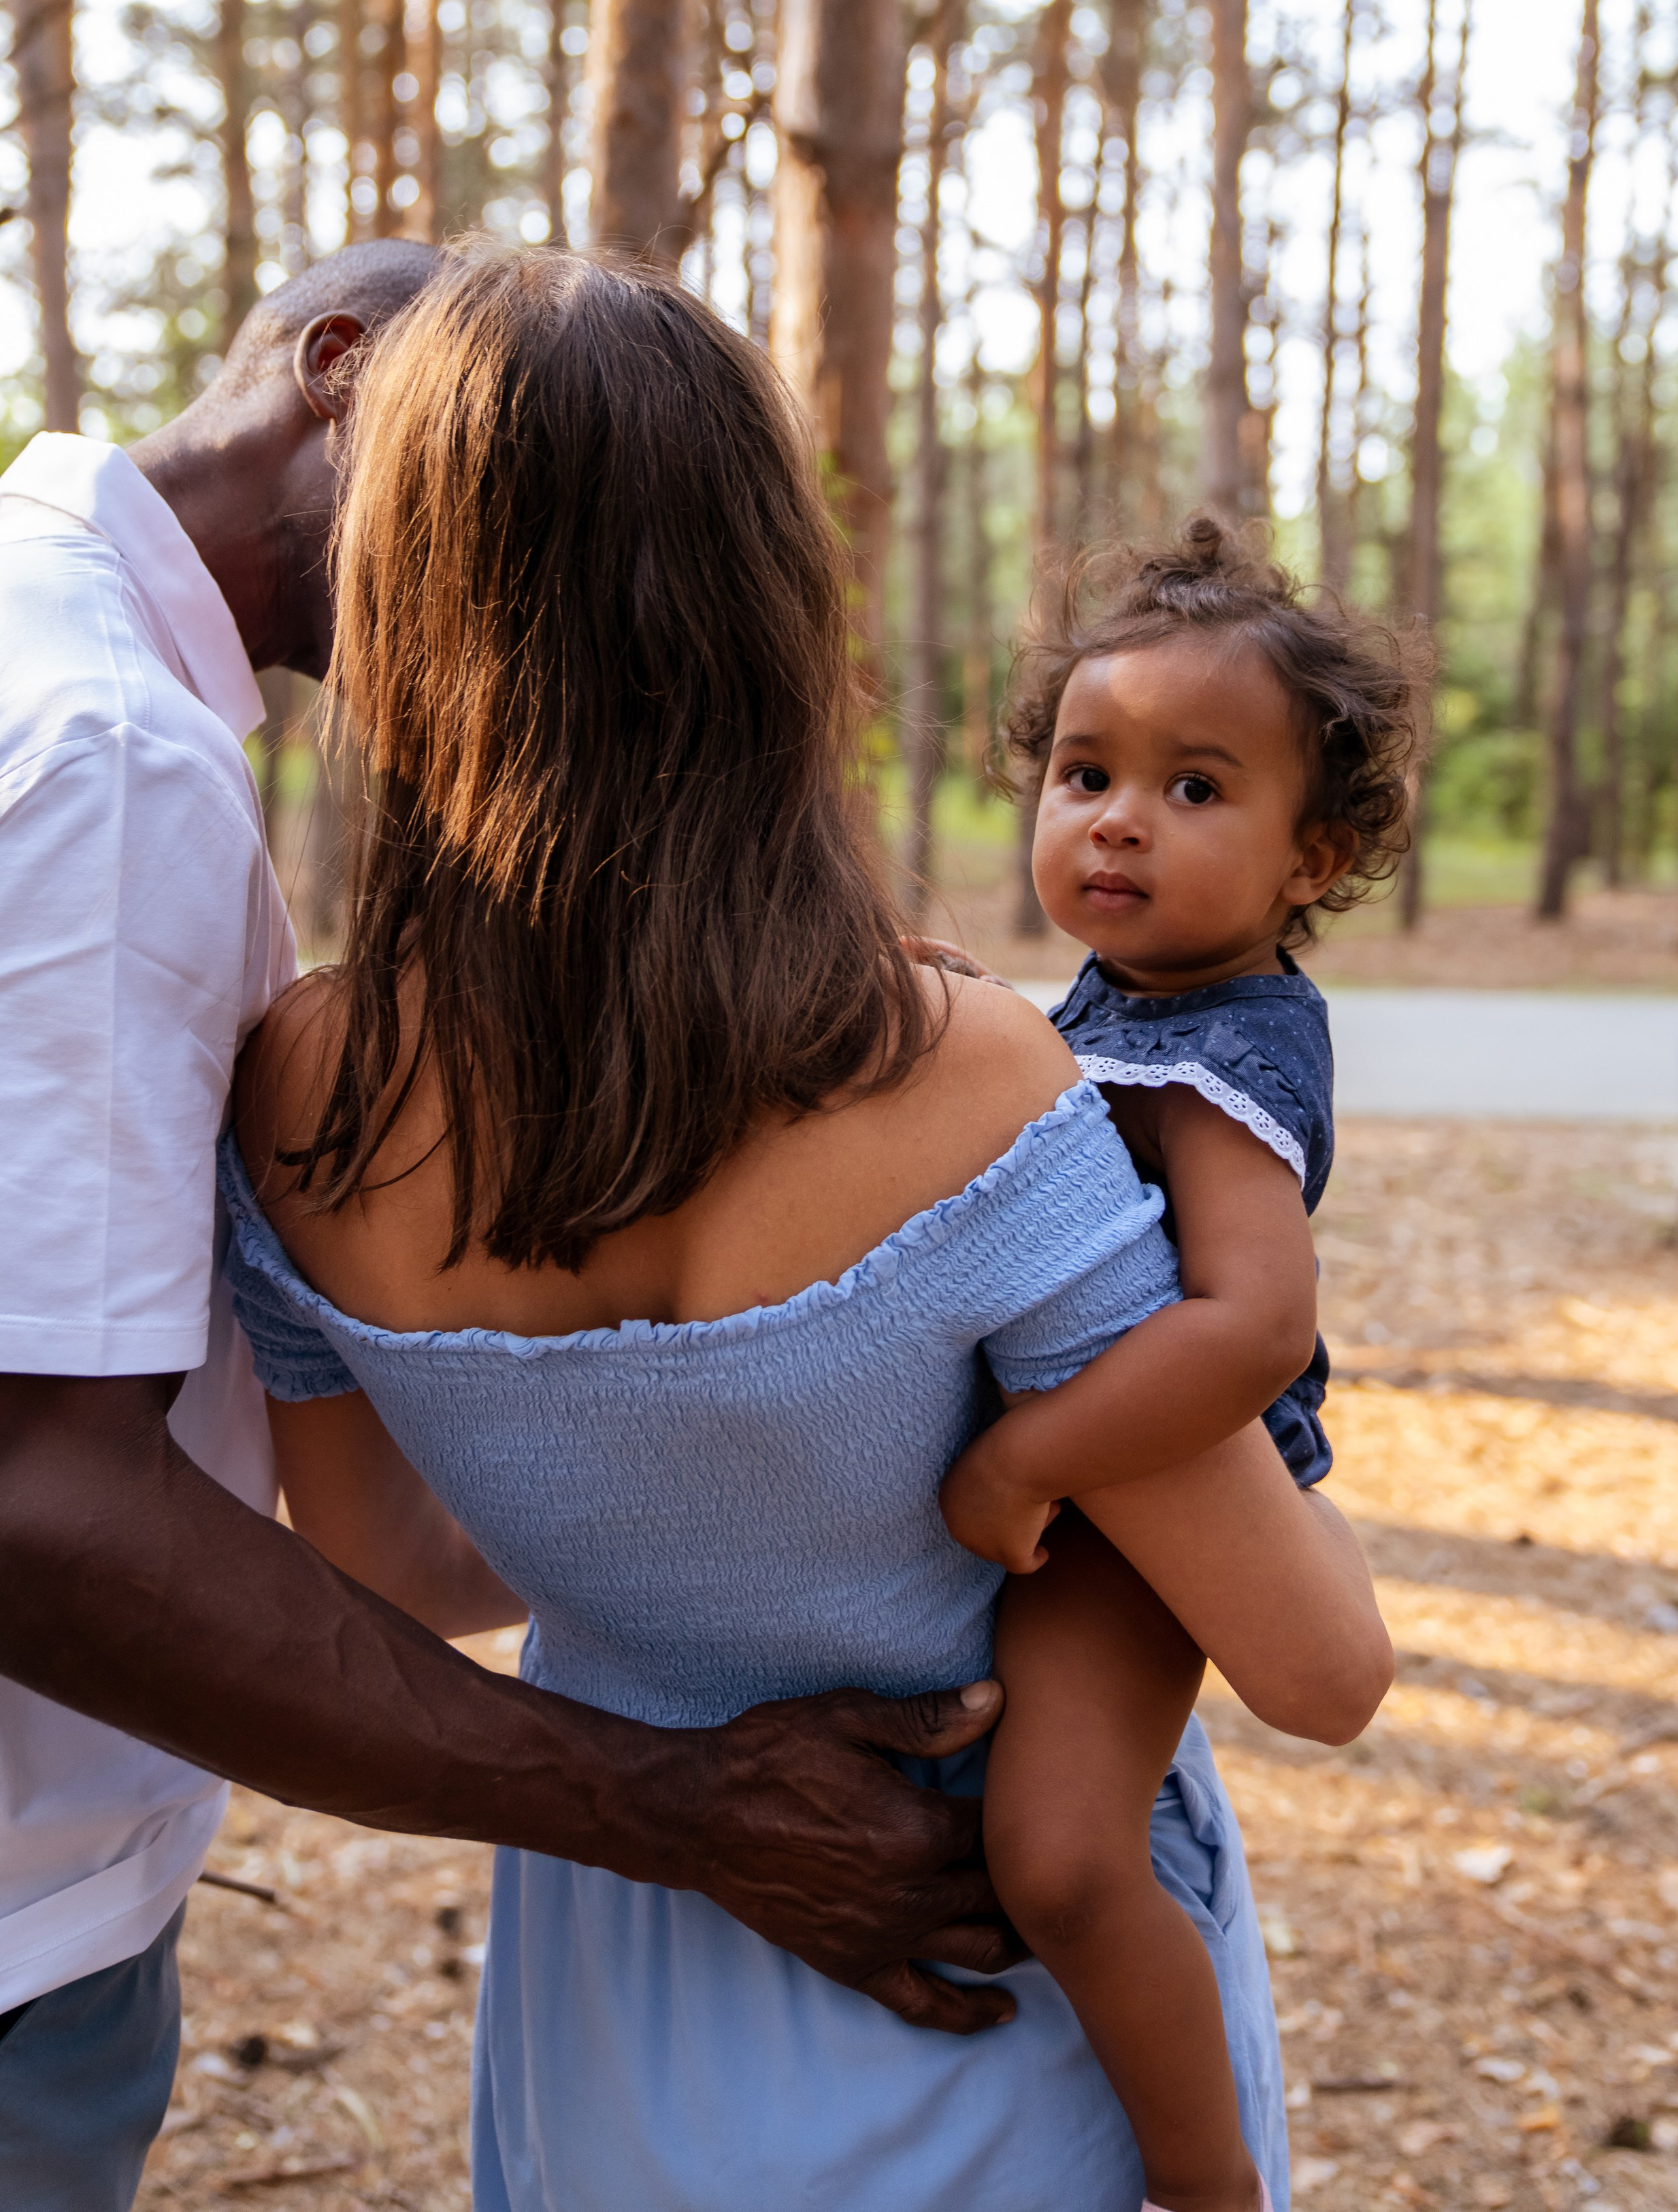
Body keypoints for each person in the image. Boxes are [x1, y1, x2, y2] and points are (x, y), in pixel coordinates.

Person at [223, 244, 1315, 2212]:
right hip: (1002, 1966)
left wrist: (653, 1546)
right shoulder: (966, 1072)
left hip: (621, 1981)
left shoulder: (299, 1090)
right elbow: (1317, 1659)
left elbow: (392, 1575)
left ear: (397, 612)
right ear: (766, 611)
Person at [0, 243, 1022, 2212]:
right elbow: (44, 1501)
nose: (532, 611)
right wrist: (677, 1809)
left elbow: (398, 1547)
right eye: (496, 504)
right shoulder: (116, 760)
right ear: (339, 374)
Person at [938, 523, 1413, 2211]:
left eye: (1195, 788)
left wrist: (1026, 1462)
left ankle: (1205, 2184)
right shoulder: (1118, 1005)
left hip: (1156, 1488)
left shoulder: (1224, 1048)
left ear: (1312, 856)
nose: (1118, 817)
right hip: (1106, 1473)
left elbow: (1252, 1326)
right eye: (1084, 772)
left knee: (1059, 1859)